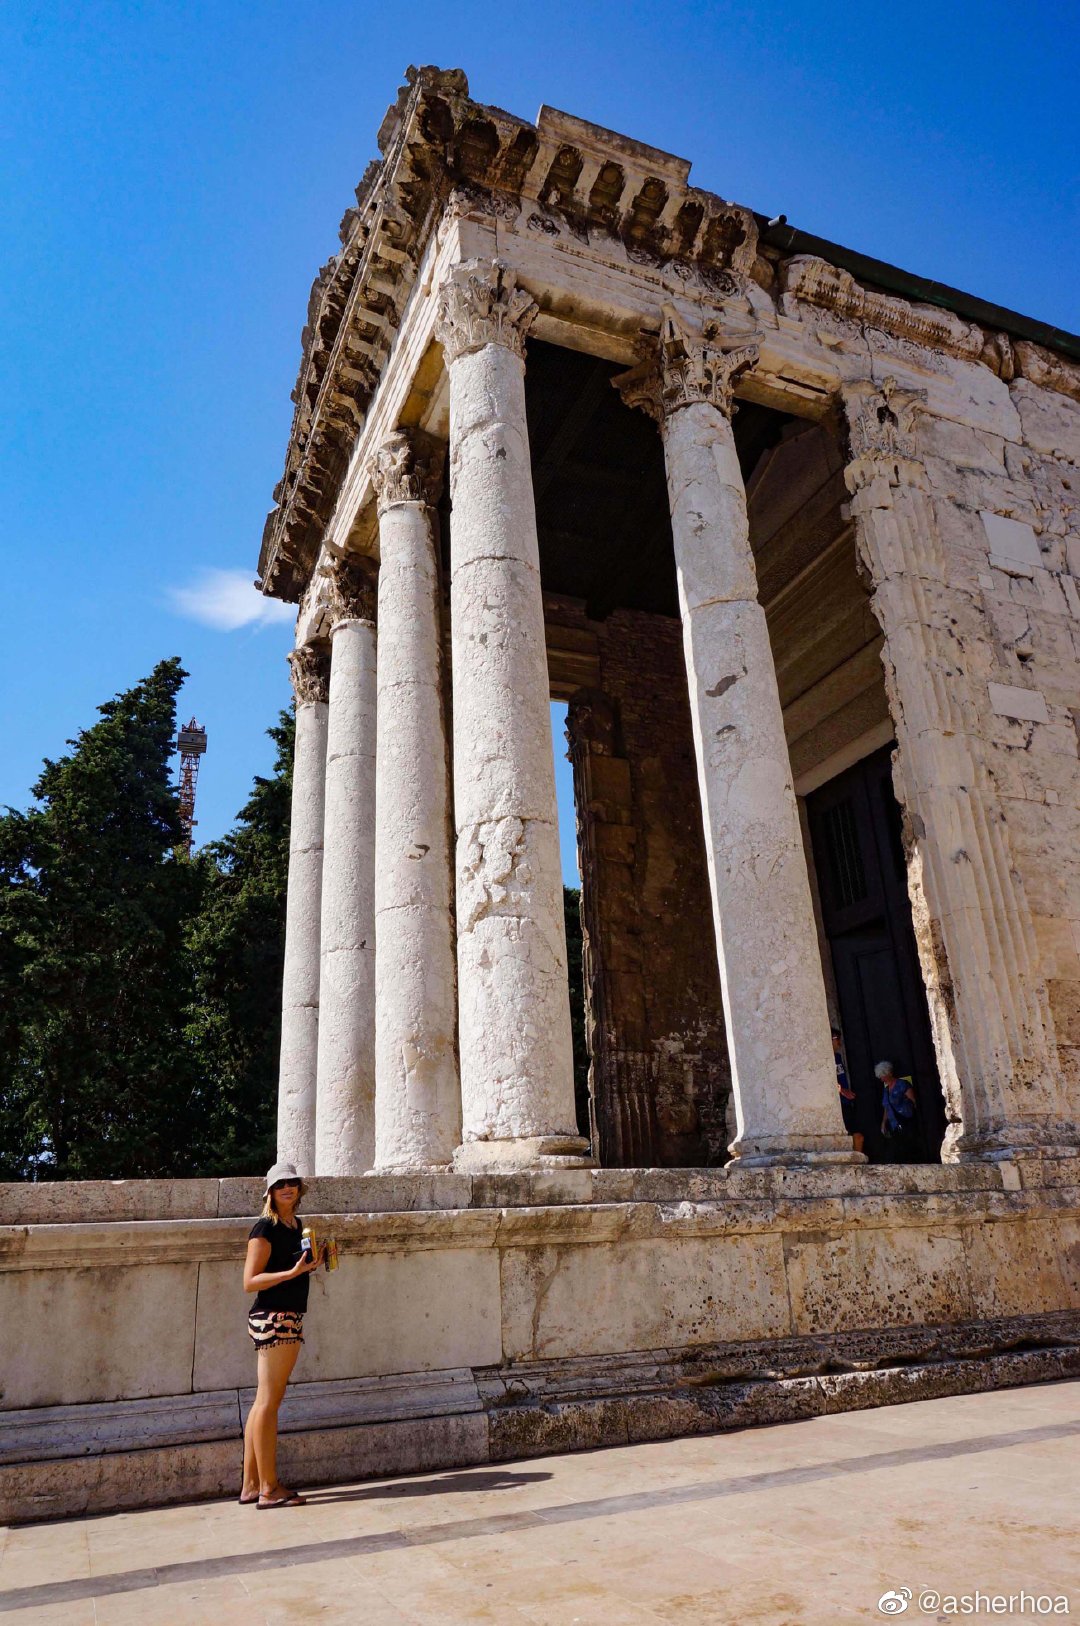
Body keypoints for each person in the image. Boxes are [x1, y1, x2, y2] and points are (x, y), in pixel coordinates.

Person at [240, 1160, 324, 1509]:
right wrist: (291, 1273)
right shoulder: (265, 1228)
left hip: (286, 1315)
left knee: (265, 1401)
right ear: (270, 1193)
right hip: (274, 1318)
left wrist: (312, 1264)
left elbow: (294, 1269)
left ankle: (250, 1485)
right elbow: (249, 1282)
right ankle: (269, 1489)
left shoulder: (296, 1226)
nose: (287, 1188)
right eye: (279, 1185)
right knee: (268, 1403)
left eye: (292, 1182)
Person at [876, 1060, 918, 1163]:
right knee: (898, 1149)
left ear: (889, 1073)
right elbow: (887, 1107)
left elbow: (913, 1101)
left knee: (909, 1148)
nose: (882, 1078)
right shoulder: (886, 1090)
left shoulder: (902, 1084)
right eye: (880, 1076)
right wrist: (883, 1123)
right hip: (894, 1124)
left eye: (883, 1075)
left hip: (905, 1121)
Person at [832, 1027, 863, 1154]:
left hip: (846, 1102)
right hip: (838, 1103)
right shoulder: (824, 1059)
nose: (839, 1043)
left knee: (857, 1136)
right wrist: (841, 1090)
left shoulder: (837, 1057)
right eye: (837, 1039)